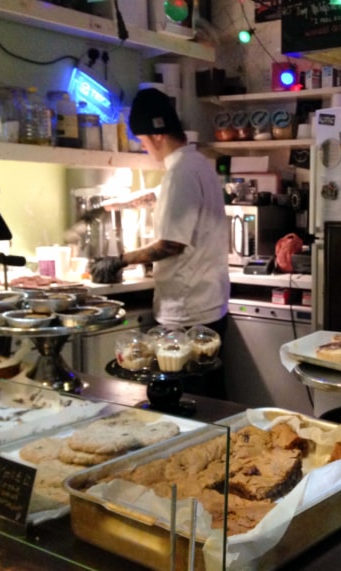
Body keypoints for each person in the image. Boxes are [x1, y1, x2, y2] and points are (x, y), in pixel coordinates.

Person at [90, 88, 230, 397]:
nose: (145, 149)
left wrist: (120, 259)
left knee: (185, 399)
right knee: (208, 395)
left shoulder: (179, 173)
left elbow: (171, 245)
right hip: (209, 303)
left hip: (185, 312)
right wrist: (113, 205)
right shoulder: (198, 164)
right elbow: (161, 196)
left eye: (142, 141)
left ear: (155, 136)